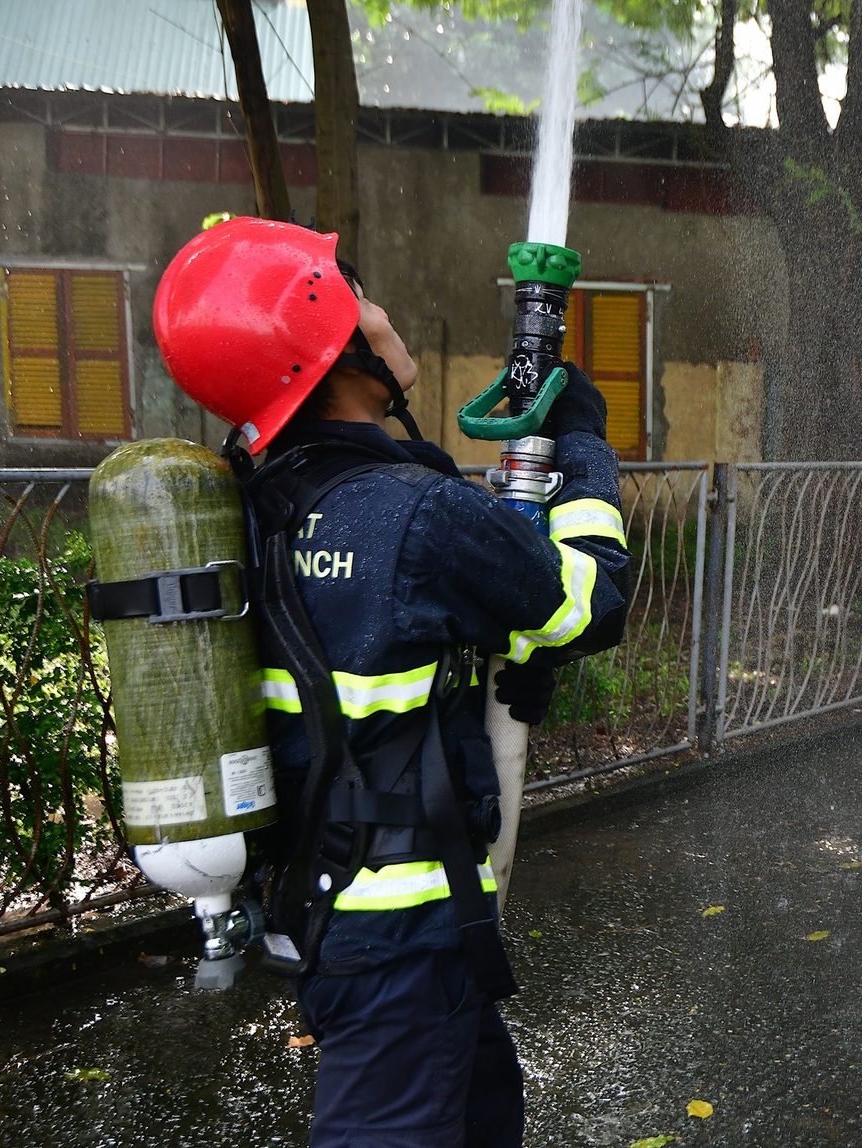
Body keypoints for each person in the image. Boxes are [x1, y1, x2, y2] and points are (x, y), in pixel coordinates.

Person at [151, 217, 631, 1148]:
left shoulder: (253, 502)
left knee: (485, 1114)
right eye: (359, 294)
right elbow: (587, 604)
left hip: (322, 906)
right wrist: (586, 452)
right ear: (328, 346)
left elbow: (373, 648)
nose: (382, 311)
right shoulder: (413, 513)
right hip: (401, 936)